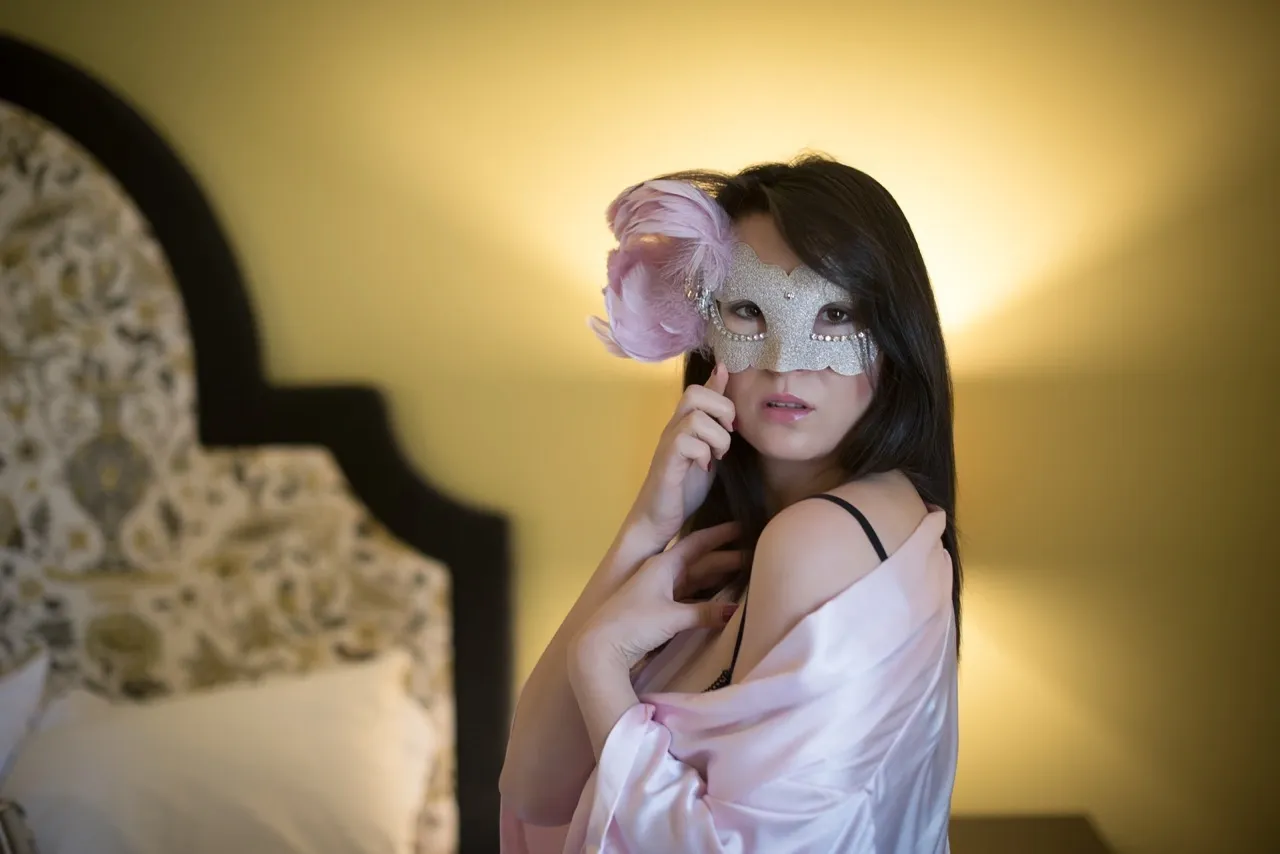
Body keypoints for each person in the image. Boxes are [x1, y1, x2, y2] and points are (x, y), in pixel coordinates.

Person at [499, 154, 961, 853]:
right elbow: (533, 787)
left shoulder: (820, 540)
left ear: (895, 336)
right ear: (704, 327)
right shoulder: (752, 543)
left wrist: (600, 663)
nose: (784, 359)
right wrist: (646, 527)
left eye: (835, 314)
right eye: (749, 309)